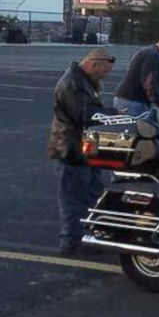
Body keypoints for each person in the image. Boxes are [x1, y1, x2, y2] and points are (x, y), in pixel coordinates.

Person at [46, 48, 119, 254]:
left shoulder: (84, 81)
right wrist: (113, 114)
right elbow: (84, 115)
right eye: (104, 71)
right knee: (72, 197)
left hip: (84, 147)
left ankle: (87, 236)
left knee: (91, 192)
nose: (105, 75)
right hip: (70, 148)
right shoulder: (72, 83)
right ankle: (71, 241)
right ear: (93, 64)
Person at [114, 32, 159, 116]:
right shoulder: (154, 56)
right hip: (133, 102)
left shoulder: (150, 52)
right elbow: (149, 83)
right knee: (137, 128)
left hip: (128, 99)